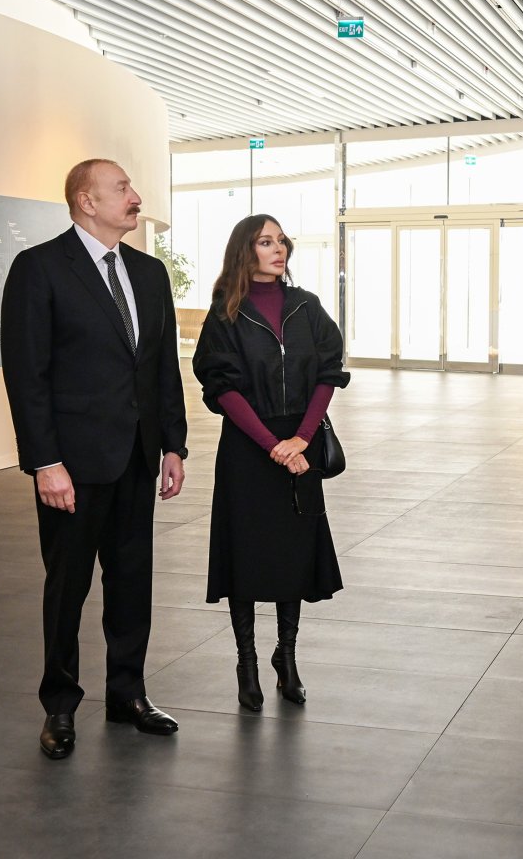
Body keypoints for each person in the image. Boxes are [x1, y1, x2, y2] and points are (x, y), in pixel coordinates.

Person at [0, 159, 189, 760]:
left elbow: (163, 370)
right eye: (123, 189)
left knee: (132, 583)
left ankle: (127, 693)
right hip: (73, 469)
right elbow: (26, 375)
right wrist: (45, 462)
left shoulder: (150, 273)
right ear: (86, 200)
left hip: (136, 458)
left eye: (132, 188)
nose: (136, 198)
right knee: (68, 588)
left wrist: (174, 444)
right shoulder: (39, 269)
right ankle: (59, 705)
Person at [191, 214, 348, 710]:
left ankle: (287, 656)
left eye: (281, 241)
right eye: (265, 241)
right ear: (245, 250)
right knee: (246, 555)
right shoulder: (224, 313)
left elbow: (328, 372)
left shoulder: (308, 307)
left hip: (298, 447)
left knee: (291, 554)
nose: (277, 249)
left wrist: (300, 439)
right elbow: (221, 388)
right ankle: (247, 664)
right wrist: (271, 445)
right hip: (247, 448)